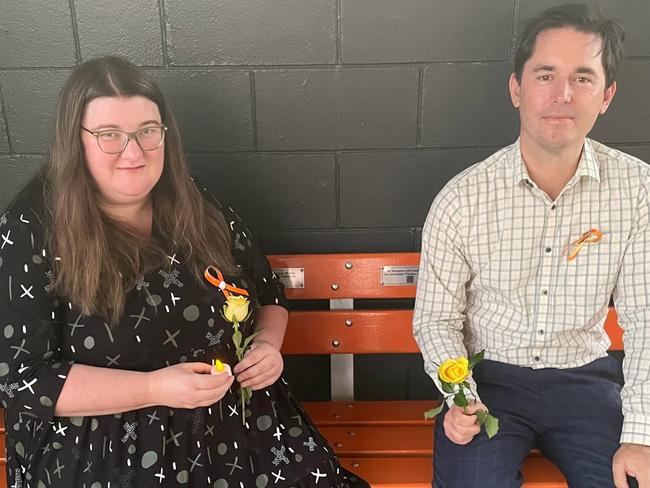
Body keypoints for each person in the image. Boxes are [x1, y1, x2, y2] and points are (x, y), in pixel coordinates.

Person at [0, 56, 368, 488]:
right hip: (104, 447)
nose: (133, 152)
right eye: (109, 135)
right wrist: (153, 389)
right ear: (75, 141)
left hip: (238, 428)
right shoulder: (31, 228)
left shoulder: (194, 200)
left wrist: (267, 346)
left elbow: (267, 294)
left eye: (147, 132)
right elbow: (22, 380)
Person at [413, 4, 649, 488]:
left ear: (606, 95)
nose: (562, 94)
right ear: (516, 88)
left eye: (583, 78)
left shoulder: (638, 190)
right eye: (545, 75)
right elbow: (436, 320)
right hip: (491, 381)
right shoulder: (462, 198)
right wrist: (460, 397)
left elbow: (646, 318)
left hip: (587, 378)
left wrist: (642, 434)